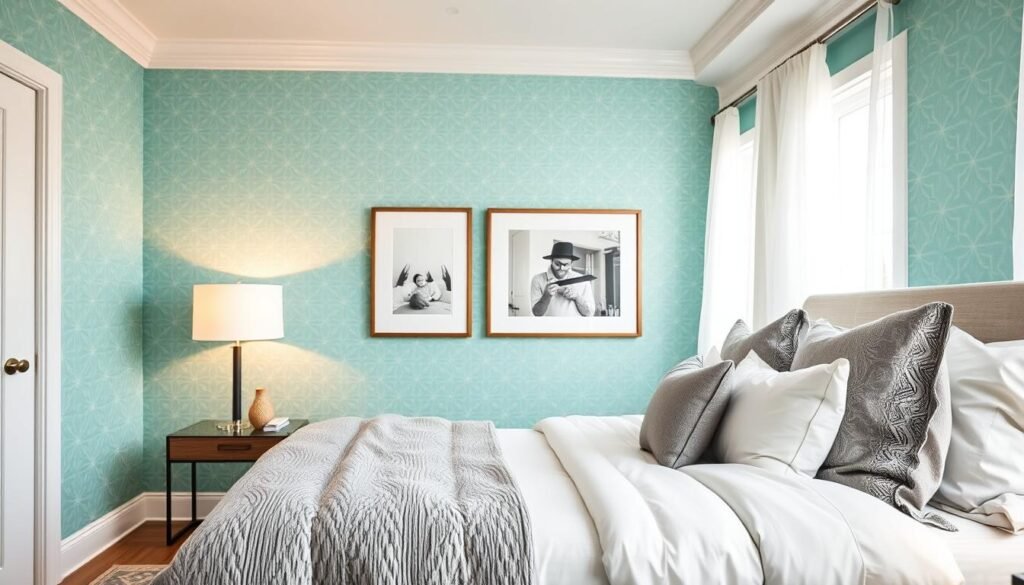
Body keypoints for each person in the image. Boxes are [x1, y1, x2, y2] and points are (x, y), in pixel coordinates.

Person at [530, 242, 595, 317]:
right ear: (551, 261)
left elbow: (589, 313)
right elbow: (537, 314)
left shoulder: (583, 281)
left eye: (566, 264)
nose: (561, 269)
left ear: (571, 263)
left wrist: (577, 297)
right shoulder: (538, 280)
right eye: (557, 264)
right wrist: (546, 296)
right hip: (548, 327)